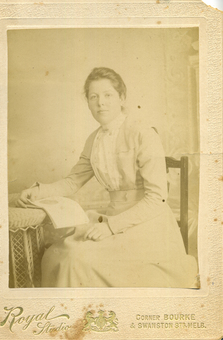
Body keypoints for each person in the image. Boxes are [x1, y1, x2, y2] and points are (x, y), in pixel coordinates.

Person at [18, 67, 198, 288]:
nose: (100, 102)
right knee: (56, 255)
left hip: (148, 227)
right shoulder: (94, 140)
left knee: (76, 259)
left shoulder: (142, 133)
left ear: (122, 98)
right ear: (88, 103)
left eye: (107, 95)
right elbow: (73, 181)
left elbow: (157, 199)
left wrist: (111, 227)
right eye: (93, 97)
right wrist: (38, 191)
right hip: (111, 218)